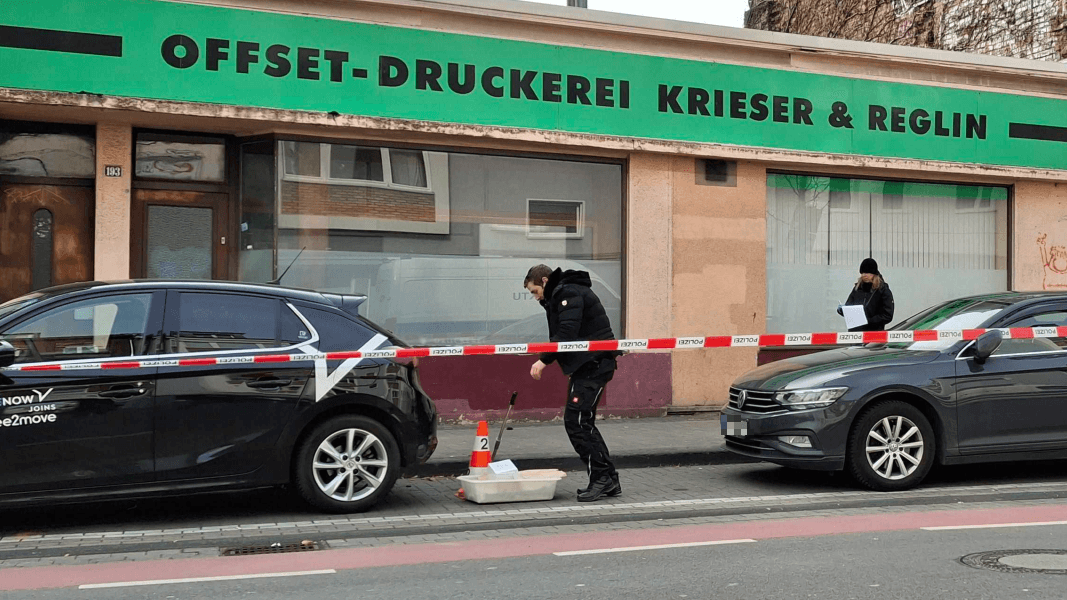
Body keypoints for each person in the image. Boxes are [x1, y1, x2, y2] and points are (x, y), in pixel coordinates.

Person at [524, 264, 621, 502]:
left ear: (545, 281)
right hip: (587, 365)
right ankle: (608, 479)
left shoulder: (568, 293)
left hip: (594, 364)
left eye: (535, 291)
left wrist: (543, 361)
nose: (535, 297)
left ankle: (601, 478)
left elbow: (566, 332)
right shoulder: (562, 293)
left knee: (577, 422)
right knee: (581, 421)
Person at [837, 257, 895, 332]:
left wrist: (868, 321)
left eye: (868, 273)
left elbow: (887, 315)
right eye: (863, 273)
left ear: (874, 274)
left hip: (874, 335)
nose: (865, 275)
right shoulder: (857, 289)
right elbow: (849, 306)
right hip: (855, 335)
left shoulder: (883, 290)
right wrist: (843, 310)